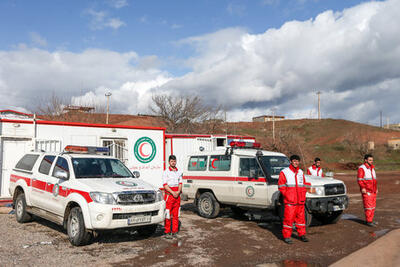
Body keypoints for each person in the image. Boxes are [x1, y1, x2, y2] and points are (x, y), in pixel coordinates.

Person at [278, 154, 311, 244]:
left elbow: (303, 185)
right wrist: (288, 196)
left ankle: (302, 235)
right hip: (290, 201)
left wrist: (304, 193)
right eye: (294, 161)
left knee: (301, 219)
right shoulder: (285, 172)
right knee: (288, 219)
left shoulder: (300, 172)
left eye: (297, 161)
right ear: (291, 161)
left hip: (300, 201)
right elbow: (281, 186)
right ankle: (287, 236)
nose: (296, 163)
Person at [162, 155, 183, 238]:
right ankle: (167, 232)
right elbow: (165, 185)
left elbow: (180, 183)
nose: (173, 162)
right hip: (169, 196)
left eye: (174, 161)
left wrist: (178, 192)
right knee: (167, 215)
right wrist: (172, 192)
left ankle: (174, 232)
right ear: (169, 162)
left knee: (176, 215)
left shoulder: (179, 172)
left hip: (177, 196)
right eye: (171, 161)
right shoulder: (166, 172)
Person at [357, 154, 378, 227]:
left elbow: (374, 180)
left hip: (373, 190)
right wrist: (363, 188)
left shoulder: (372, 168)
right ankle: (368, 221)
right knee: (368, 206)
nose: (371, 161)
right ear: (365, 160)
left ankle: (371, 220)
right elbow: (360, 180)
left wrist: (376, 188)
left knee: (373, 206)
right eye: (370, 160)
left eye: (372, 160)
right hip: (367, 190)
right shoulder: (362, 168)